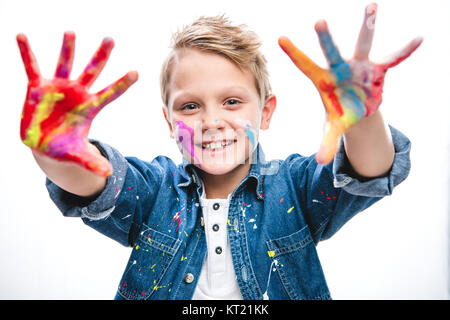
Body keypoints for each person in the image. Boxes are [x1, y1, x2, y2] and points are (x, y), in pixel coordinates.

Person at [16, 3, 421, 300]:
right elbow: (93, 182)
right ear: (168, 121)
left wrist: (362, 117)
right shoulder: (156, 191)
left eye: (231, 101)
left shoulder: (294, 188)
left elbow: (367, 171)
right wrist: (57, 151)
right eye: (190, 106)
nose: (211, 121)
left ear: (266, 112)